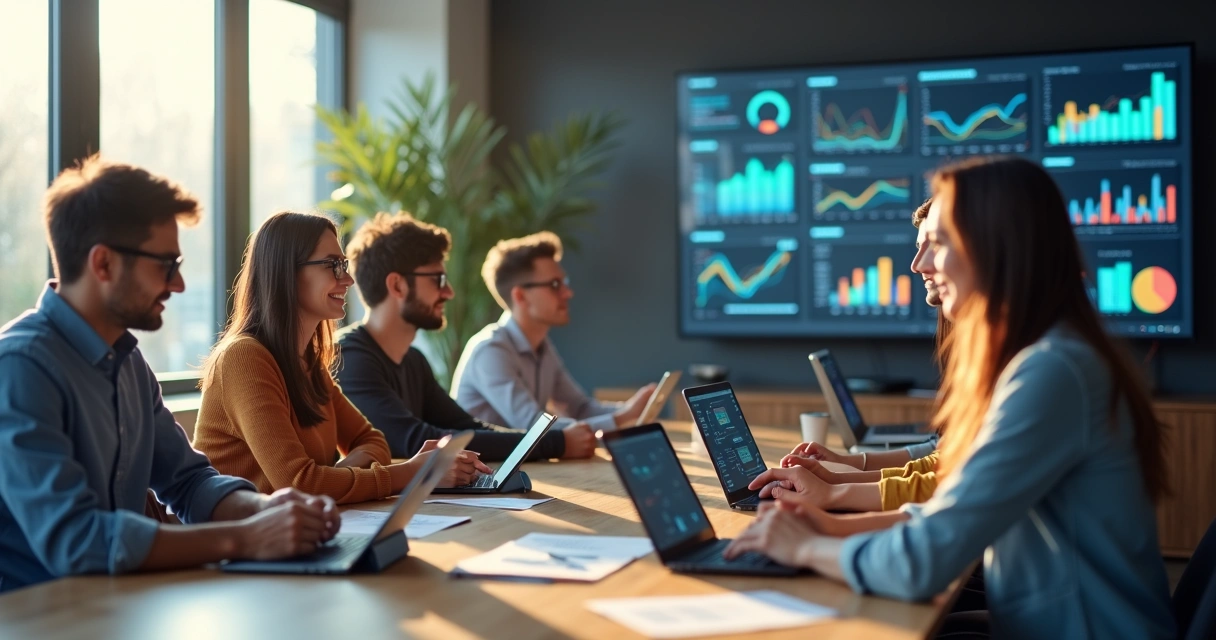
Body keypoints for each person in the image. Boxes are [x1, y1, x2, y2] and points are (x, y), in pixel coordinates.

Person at [725, 156, 1175, 639]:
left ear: (995, 248)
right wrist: (824, 524)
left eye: (937, 244)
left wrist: (803, 547)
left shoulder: (1052, 372)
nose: (919, 265)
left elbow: (923, 562)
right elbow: (955, 507)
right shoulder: (1059, 356)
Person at [0, 156, 340, 592]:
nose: (178, 284)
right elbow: (77, 542)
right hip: (42, 620)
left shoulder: (129, 364)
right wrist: (245, 536)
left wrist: (264, 509)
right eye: (166, 264)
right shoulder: (21, 369)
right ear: (102, 265)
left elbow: (190, 482)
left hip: (117, 608)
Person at [193, 212, 490, 505]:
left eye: (344, 265)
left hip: (295, 534)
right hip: (240, 545)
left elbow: (374, 442)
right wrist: (415, 472)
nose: (347, 279)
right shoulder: (243, 358)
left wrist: (331, 478)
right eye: (333, 265)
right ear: (287, 272)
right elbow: (299, 483)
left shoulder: (307, 362)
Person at [335, 212, 596, 460]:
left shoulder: (413, 361)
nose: (449, 292)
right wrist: (556, 443)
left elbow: (467, 428)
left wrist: (549, 440)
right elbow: (413, 441)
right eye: (437, 280)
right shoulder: (349, 358)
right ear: (397, 285)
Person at [780, 198, 946, 512]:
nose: (916, 265)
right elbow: (945, 461)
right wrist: (841, 475)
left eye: (936, 245)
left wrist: (833, 498)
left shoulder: (1032, 368)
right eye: (919, 246)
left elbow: (952, 493)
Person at [451, 232, 655, 431]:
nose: (568, 292)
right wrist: (623, 418)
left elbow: (580, 408)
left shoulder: (542, 346)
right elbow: (534, 428)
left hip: (523, 464)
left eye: (564, 283)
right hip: (488, 465)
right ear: (520, 296)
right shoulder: (490, 351)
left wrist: (631, 408)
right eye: (555, 285)